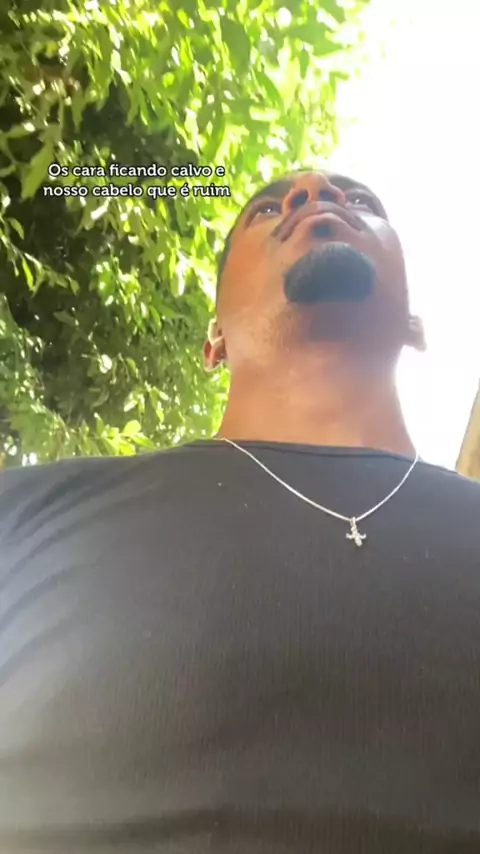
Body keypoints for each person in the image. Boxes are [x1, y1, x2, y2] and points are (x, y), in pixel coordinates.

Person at [1, 169, 480, 854]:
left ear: (414, 324)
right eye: (268, 208)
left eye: (359, 201)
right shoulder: (25, 518)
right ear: (214, 341)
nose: (314, 197)